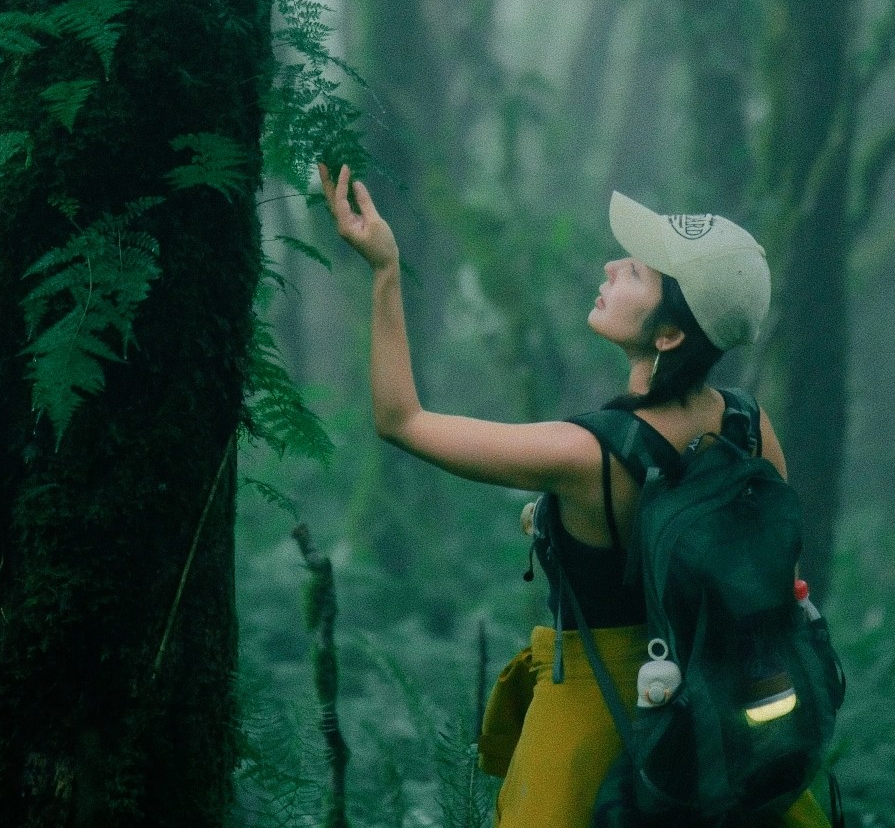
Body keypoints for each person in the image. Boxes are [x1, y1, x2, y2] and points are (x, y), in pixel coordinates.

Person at [317, 163, 830, 828]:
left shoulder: (584, 455)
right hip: (723, 710)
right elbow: (778, 577)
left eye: (638, 273)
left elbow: (401, 421)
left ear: (669, 335)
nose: (615, 265)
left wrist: (386, 271)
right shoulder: (748, 426)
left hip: (593, 702)